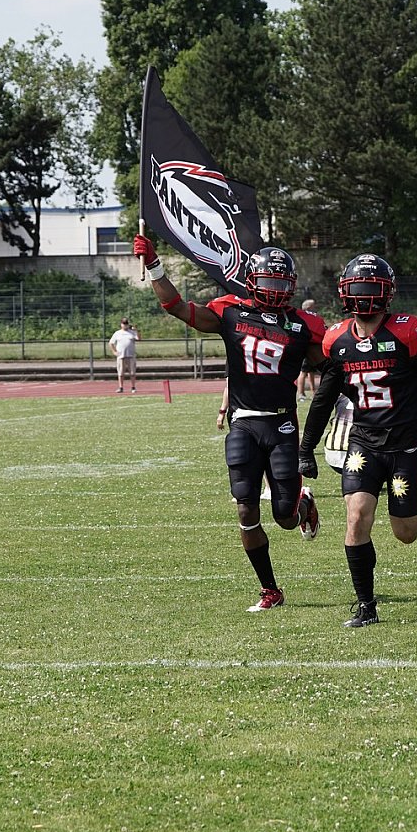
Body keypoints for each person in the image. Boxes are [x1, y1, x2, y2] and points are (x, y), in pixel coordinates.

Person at [134, 235, 324, 613]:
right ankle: (270, 590)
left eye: (280, 282)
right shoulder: (230, 311)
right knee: (245, 510)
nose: (274, 289)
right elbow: (176, 306)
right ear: (252, 279)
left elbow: (332, 366)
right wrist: (155, 265)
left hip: (282, 425)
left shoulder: (305, 324)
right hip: (244, 424)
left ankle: (303, 506)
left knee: (284, 518)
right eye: (268, 281)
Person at [298, 253, 417, 628]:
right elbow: (323, 399)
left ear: (387, 294)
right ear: (345, 293)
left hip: (407, 443)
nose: (363, 296)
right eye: (358, 288)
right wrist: (306, 449)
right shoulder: (338, 340)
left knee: (405, 533)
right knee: (356, 517)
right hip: (364, 443)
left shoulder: (407, 332)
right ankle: (366, 605)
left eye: (370, 289)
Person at [108, 317, 141, 394]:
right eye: (123, 323)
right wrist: (114, 352)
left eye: (126, 324)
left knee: (132, 372)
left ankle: (133, 387)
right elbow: (111, 343)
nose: (125, 325)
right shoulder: (117, 333)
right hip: (121, 355)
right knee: (121, 373)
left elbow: (139, 339)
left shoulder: (132, 332)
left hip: (131, 355)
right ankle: (121, 387)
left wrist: (136, 330)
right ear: (121, 324)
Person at [297, 299, 321, 400]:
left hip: (312, 347)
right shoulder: (304, 317)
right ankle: (301, 393)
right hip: (306, 347)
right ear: (309, 307)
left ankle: (313, 391)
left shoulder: (313, 316)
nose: (315, 307)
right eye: (313, 306)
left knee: (311, 372)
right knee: (303, 372)